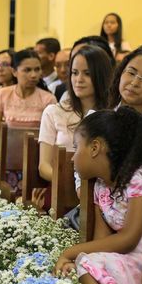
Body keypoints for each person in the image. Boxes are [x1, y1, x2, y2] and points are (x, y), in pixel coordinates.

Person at [54, 108, 142, 284]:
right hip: (129, 259)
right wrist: (80, 259)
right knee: (80, 267)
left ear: (95, 148)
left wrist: (70, 252)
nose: (72, 158)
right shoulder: (100, 186)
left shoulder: (140, 178)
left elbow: (128, 239)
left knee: (85, 263)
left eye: (76, 147)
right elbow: (103, 241)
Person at [0, 49, 56, 196]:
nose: (33, 75)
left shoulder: (48, 99)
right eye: (27, 70)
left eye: (37, 69)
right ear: (14, 72)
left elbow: (52, 139)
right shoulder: (3, 94)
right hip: (6, 164)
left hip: (36, 167)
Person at [38, 45, 112, 183]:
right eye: (74, 72)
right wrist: (71, 184)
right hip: (60, 188)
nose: (79, 79)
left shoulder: (112, 115)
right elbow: (44, 166)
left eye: (87, 73)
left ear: (101, 75)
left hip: (103, 191)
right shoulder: (54, 112)